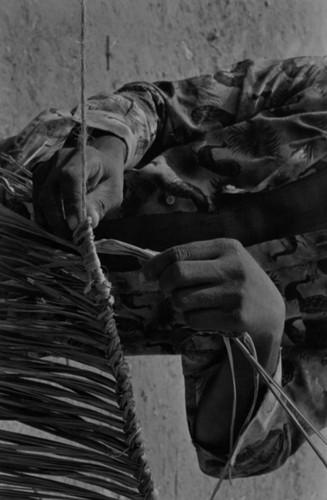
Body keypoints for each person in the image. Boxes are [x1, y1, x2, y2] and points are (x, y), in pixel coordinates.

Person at [1, 55, 327, 478]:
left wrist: (263, 338)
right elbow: (161, 106)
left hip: (42, 321)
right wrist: (108, 148)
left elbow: (234, 452)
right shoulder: (319, 90)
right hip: (24, 192)